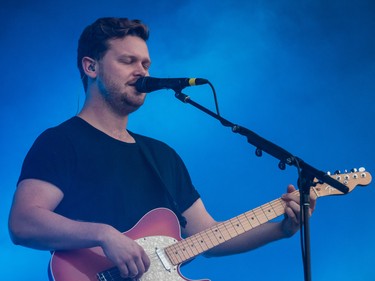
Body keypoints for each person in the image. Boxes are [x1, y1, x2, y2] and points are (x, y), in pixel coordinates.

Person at [8, 17, 315, 280]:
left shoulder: (161, 156)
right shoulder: (61, 142)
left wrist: (283, 229)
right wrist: (104, 234)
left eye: (146, 64)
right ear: (91, 67)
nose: (142, 72)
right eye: (128, 61)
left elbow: (208, 236)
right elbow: (23, 223)